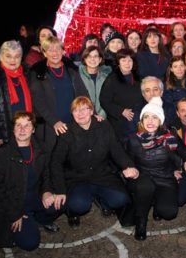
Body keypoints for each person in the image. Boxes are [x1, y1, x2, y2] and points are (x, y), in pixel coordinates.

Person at [50, 97, 139, 228]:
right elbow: (55, 163)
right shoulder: (66, 132)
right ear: (72, 113)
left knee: (121, 199)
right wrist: (59, 190)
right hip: (77, 178)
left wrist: (129, 166)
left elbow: (116, 149)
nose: (80, 113)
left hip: (102, 175)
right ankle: (72, 212)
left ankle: (102, 200)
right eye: (76, 110)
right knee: (79, 205)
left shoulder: (104, 125)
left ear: (92, 111)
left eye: (84, 109)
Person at [125, 96, 186, 240]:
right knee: (146, 187)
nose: (150, 121)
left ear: (160, 121)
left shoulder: (168, 136)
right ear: (142, 120)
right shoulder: (133, 139)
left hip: (164, 177)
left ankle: (157, 204)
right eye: (147, 117)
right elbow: (126, 159)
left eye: (155, 117)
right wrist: (128, 169)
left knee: (169, 212)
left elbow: (183, 150)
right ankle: (141, 221)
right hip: (143, 178)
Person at [0, 112, 61, 251]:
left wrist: (46, 191)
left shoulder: (41, 149)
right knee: (30, 243)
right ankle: (23, 223)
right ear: (13, 129)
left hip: (35, 198)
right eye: (18, 125)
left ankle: (38, 220)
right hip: (15, 204)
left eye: (27, 125)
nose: (22, 129)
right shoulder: (2, 154)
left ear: (33, 129)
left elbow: (46, 175)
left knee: (59, 202)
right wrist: (14, 213)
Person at [29, 36, 88, 152]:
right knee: (51, 162)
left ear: (63, 51)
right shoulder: (37, 72)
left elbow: (83, 94)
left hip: (72, 124)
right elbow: (38, 101)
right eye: (50, 50)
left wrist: (92, 113)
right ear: (45, 53)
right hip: (50, 127)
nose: (54, 53)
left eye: (57, 49)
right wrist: (54, 121)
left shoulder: (72, 70)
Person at [100, 49, 144, 143]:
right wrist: (121, 111)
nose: (127, 63)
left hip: (137, 121)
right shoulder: (112, 79)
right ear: (118, 62)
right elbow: (104, 101)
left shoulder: (138, 78)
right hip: (119, 123)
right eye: (123, 60)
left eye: (130, 60)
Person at [0, 40, 32, 146]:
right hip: (5, 132)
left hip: (26, 130)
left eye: (17, 56)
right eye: (8, 56)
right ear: (1, 56)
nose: (13, 60)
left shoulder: (27, 74)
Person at [79, 46, 111, 119]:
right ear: (85, 59)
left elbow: (110, 99)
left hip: (103, 117)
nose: (92, 59)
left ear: (100, 59)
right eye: (89, 56)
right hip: (83, 117)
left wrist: (102, 115)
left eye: (95, 56)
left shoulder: (107, 77)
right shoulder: (78, 76)